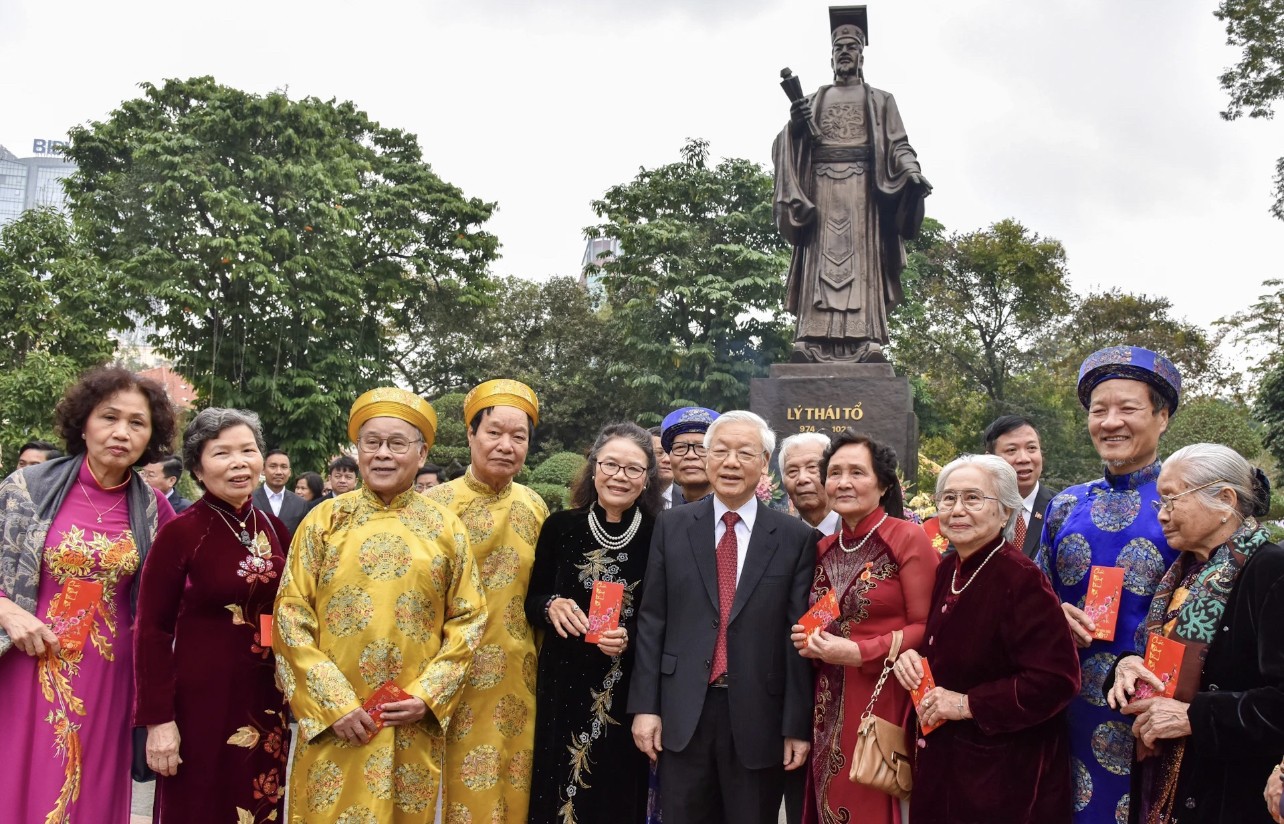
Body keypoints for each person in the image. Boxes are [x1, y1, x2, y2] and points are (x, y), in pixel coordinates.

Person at [274, 387, 487, 821]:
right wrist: (334, 703)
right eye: (372, 443)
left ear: (422, 450)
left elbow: (468, 618)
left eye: (397, 444)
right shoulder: (323, 520)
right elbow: (290, 614)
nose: (383, 455)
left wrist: (427, 697)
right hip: (337, 723)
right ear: (358, 450)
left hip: (408, 721)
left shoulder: (446, 527)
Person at [0, 366, 178, 822]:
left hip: (109, 673)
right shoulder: (26, 490)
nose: (121, 432)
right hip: (27, 660)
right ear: (84, 423)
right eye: (109, 417)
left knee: (90, 786)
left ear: (151, 436)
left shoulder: (154, 510)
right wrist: (7, 611)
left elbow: (184, 590)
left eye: (137, 423)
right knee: (20, 779)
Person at [629, 410, 817, 824]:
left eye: (745, 453)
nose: (731, 462)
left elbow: (797, 638)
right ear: (708, 458)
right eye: (722, 451)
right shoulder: (672, 527)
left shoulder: (794, 538)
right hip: (683, 713)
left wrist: (796, 725)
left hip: (759, 718)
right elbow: (652, 620)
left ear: (764, 462)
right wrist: (646, 707)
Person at [1038, 345, 1184, 824]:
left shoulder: (1185, 504)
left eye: (1128, 408)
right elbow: (1032, 594)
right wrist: (1051, 611)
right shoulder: (1064, 505)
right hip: (1062, 706)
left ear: (1162, 417)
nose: (1110, 422)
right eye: (1099, 410)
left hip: (1149, 710)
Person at [894, 454, 1080, 822]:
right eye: (948, 498)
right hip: (945, 757)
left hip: (1003, 773)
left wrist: (967, 704)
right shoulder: (950, 566)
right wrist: (912, 658)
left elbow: (1056, 681)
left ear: (1006, 511)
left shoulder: (1021, 578)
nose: (957, 509)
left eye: (973, 498)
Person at [1104, 444, 1284, 824]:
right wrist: (1127, 666)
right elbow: (1161, 663)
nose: (1163, 516)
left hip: (1231, 793)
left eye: (1172, 499)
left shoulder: (1270, 572)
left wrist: (1196, 717)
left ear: (1224, 499)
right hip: (1167, 781)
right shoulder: (1183, 572)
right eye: (1160, 503)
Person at [133, 409, 292, 823]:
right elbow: (150, 630)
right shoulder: (181, 533)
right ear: (198, 470)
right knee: (200, 805)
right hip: (199, 703)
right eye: (222, 453)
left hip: (265, 699)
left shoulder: (275, 529)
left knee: (260, 801)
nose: (239, 462)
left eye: (248, 450)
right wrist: (158, 721)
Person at [789, 431, 937, 824]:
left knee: (870, 795)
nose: (843, 482)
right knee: (827, 793)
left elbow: (928, 625)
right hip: (826, 698)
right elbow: (824, 614)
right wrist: (807, 636)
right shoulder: (823, 548)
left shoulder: (907, 538)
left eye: (857, 472)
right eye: (834, 472)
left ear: (884, 484)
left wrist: (860, 652)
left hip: (884, 695)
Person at [772, 8, 931, 363]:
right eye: (839, 47)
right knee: (820, 266)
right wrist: (797, 126)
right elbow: (786, 142)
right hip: (822, 191)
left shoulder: (880, 100)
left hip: (863, 192)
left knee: (862, 269)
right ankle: (811, 340)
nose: (845, 52)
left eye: (851, 47)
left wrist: (911, 171)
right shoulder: (815, 99)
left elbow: (899, 145)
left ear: (861, 55)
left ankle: (866, 341)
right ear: (831, 57)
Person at [525, 422, 663, 824]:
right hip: (562, 684)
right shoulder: (560, 527)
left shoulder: (661, 534)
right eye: (611, 465)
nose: (620, 476)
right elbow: (531, 599)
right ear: (594, 467)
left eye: (633, 469)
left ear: (647, 478)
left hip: (624, 688)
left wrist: (630, 637)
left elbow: (666, 616)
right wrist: (551, 605)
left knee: (615, 793)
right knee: (556, 788)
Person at [427, 379, 549, 824]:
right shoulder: (435, 509)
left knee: (515, 784)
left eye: (519, 437)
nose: (506, 445)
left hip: (521, 674)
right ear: (471, 435)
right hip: (452, 675)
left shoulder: (536, 507)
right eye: (494, 432)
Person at [983, 414, 1059, 558]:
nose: (1024, 459)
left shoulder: (1062, 509)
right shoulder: (975, 509)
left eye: (1031, 448)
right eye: (1011, 450)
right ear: (989, 459)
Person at [778, 432, 840, 535]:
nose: (802, 479)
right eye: (792, 471)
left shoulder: (864, 533)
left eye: (812, 467)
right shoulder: (780, 539)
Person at [660, 406, 719, 506]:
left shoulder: (733, 516)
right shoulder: (660, 515)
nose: (690, 455)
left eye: (702, 447)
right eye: (680, 447)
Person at [252, 448, 309, 534]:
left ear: (289, 472)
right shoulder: (249, 500)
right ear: (263, 470)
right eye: (273, 466)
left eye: (283, 467)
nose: (279, 472)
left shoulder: (300, 504)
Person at [647, 426, 676, 510]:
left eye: (671, 453)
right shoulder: (632, 498)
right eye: (659, 453)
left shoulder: (689, 499)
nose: (667, 459)